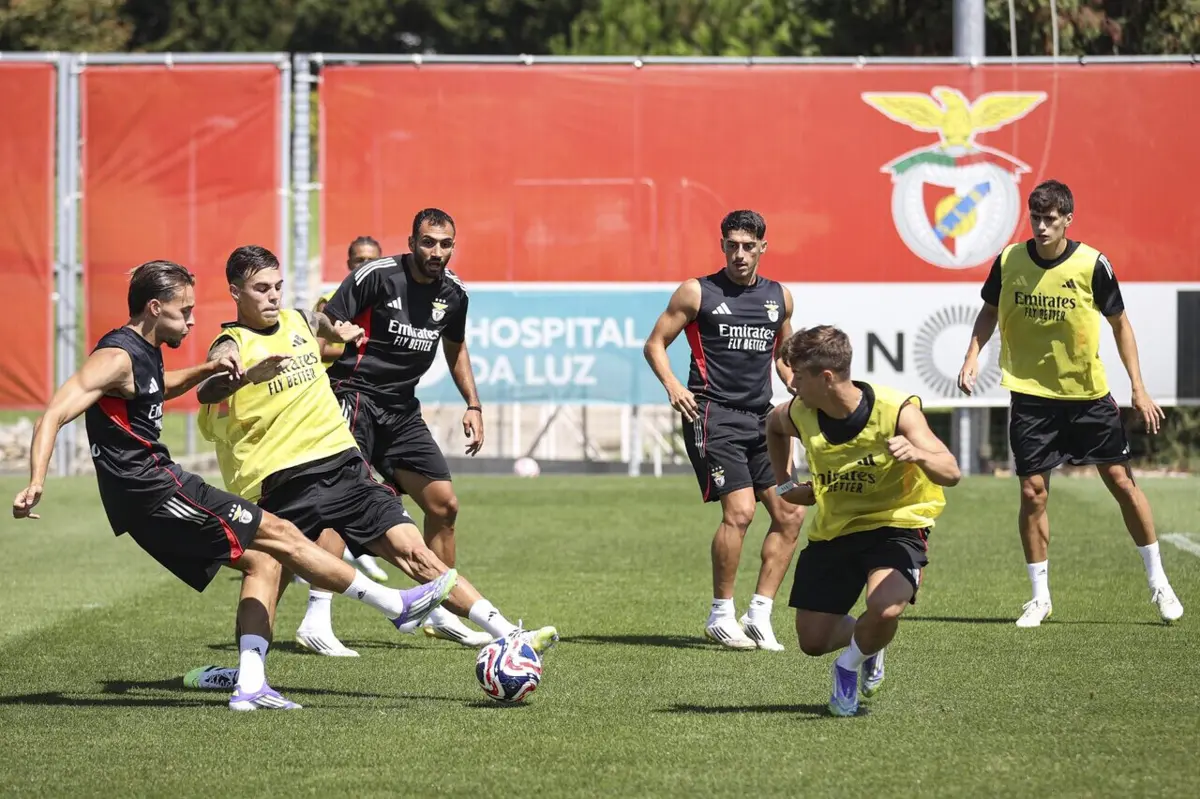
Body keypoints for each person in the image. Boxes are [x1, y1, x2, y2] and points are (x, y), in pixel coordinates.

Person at [11, 259, 459, 711]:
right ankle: (395, 605)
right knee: (282, 534)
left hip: (153, 486)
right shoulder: (114, 356)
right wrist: (36, 481)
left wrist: (211, 370)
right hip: (151, 488)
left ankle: (250, 687)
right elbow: (54, 412)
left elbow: (156, 387)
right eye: (182, 311)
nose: (190, 320)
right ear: (153, 307)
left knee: (264, 561)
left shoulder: (143, 355)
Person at [187, 246, 554, 691]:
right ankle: (246, 676)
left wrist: (338, 326)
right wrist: (244, 376)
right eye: (261, 289)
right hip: (279, 480)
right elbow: (207, 390)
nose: (272, 297)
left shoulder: (299, 320)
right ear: (235, 293)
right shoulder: (232, 342)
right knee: (267, 571)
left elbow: (320, 320)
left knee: (416, 553)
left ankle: (507, 633)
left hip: (342, 463)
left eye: (277, 286)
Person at [957, 179, 1184, 627]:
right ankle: (1040, 597)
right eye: (1036, 218)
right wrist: (972, 355)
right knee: (1031, 491)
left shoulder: (1092, 264)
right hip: (1030, 397)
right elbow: (989, 309)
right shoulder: (1009, 260)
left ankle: (1159, 582)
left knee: (1120, 481)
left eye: (1050, 219)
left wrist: (1138, 387)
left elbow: (1121, 325)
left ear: (1067, 220)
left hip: (1088, 396)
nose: (1041, 227)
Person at [766, 325, 960, 716]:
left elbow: (951, 472)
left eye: (797, 375)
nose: (791, 383)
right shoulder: (800, 413)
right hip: (836, 529)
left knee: (886, 607)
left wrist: (918, 454)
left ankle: (848, 666)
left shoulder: (895, 410)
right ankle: (869, 644)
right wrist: (785, 485)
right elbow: (772, 426)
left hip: (898, 523)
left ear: (826, 377)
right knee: (812, 641)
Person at [323, 208, 492, 647]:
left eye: (446, 244)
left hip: (401, 410)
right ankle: (315, 621)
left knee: (444, 505)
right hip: (353, 397)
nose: (437, 252)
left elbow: (455, 349)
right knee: (338, 506)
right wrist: (337, 334)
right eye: (429, 242)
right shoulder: (375, 276)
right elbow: (324, 324)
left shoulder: (455, 294)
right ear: (412, 241)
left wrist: (473, 403)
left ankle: (438, 611)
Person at [643, 209, 805, 651]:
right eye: (732, 245)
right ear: (722, 246)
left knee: (791, 513)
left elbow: (783, 354)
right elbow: (654, 343)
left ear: (762, 248)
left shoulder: (780, 298)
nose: (740, 254)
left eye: (748, 246)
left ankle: (760, 613)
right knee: (740, 512)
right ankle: (720, 614)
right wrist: (673, 384)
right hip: (712, 415)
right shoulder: (698, 292)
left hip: (765, 421)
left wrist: (795, 381)